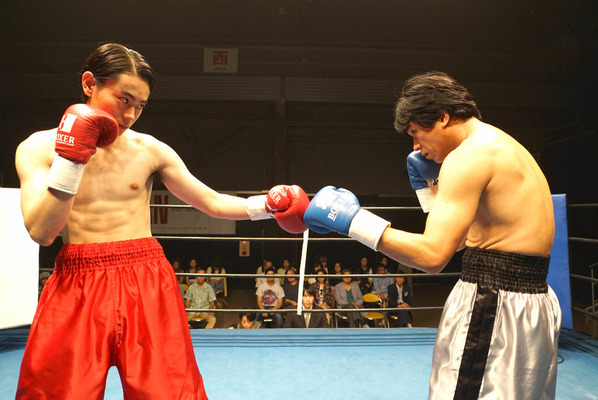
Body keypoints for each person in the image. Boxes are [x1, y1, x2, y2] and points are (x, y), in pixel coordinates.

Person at [14, 42, 310, 399]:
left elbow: (212, 202)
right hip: (75, 280)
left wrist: (270, 205)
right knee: (54, 390)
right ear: (90, 84)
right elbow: (42, 232)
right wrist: (71, 159)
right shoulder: (38, 148)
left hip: (144, 276)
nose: (130, 115)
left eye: (140, 106)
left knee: (167, 391)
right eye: (123, 99)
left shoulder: (150, 150)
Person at [303, 71, 560, 399]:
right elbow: (460, 240)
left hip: (492, 303)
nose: (415, 146)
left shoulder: (467, 157)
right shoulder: (502, 144)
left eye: (416, 132)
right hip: (534, 304)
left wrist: (352, 221)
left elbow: (433, 256)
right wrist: (429, 191)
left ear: (442, 117)